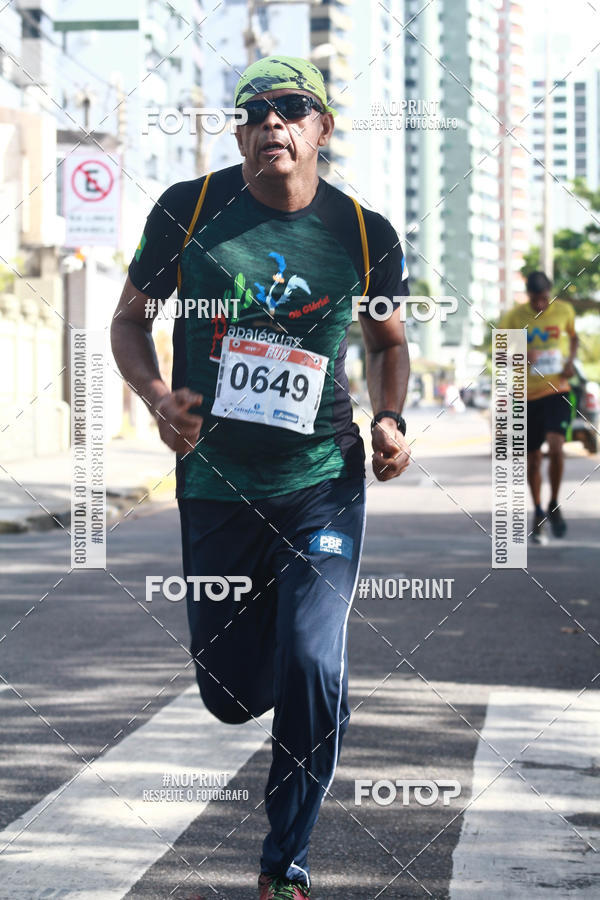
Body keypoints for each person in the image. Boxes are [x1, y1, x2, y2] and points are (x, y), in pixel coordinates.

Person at [111, 55, 411, 899]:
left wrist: (390, 419)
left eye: (292, 107)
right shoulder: (189, 210)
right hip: (217, 484)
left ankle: (285, 866)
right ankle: (304, 680)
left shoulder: (365, 233)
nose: (271, 121)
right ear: (239, 131)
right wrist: (158, 396)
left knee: (313, 663)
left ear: (321, 127)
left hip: (322, 481)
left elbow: (388, 344)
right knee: (232, 695)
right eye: (254, 111)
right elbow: (129, 322)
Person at [500, 271, 578, 543]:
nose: (541, 305)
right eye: (535, 300)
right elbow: (501, 354)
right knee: (533, 459)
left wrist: (571, 362)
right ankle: (538, 511)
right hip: (525, 396)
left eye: (544, 299)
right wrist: (521, 356)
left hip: (558, 391)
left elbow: (574, 338)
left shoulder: (564, 311)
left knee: (556, 448)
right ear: (528, 296)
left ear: (550, 293)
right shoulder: (515, 317)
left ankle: (554, 502)